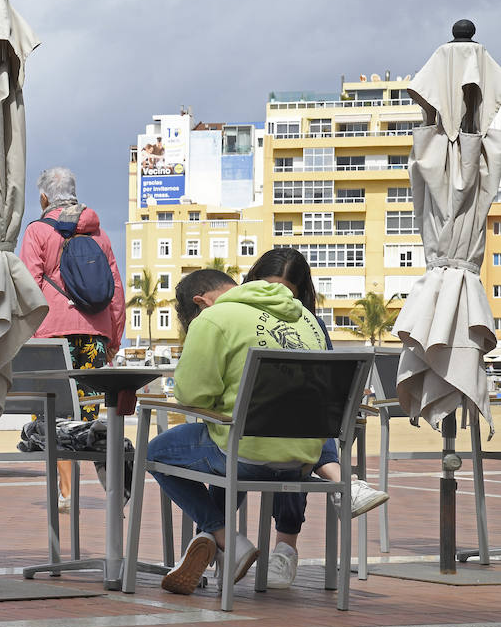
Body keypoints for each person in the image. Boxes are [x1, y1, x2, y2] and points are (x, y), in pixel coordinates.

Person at [149, 268, 329, 595]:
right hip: (304, 458)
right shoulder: (306, 318)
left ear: (200, 302)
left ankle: (225, 539)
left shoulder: (214, 318)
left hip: (249, 452)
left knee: (155, 452)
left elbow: (191, 395)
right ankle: (216, 542)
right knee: (225, 447)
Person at [243, 248, 388, 589]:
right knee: (298, 432)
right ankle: (341, 483)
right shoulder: (236, 318)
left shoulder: (311, 325)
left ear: (300, 294)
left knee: (299, 431)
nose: (275, 298)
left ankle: (273, 548)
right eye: (268, 288)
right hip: (249, 430)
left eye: (285, 293)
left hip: (293, 432)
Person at [19, 167, 126, 513]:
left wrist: (26, 336)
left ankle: (66, 494)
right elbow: (115, 290)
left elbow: (27, 287)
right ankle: (115, 493)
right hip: (95, 334)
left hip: (51, 337)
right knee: (89, 414)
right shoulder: (99, 234)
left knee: (55, 413)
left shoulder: (37, 231)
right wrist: (114, 336)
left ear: (44, 198)